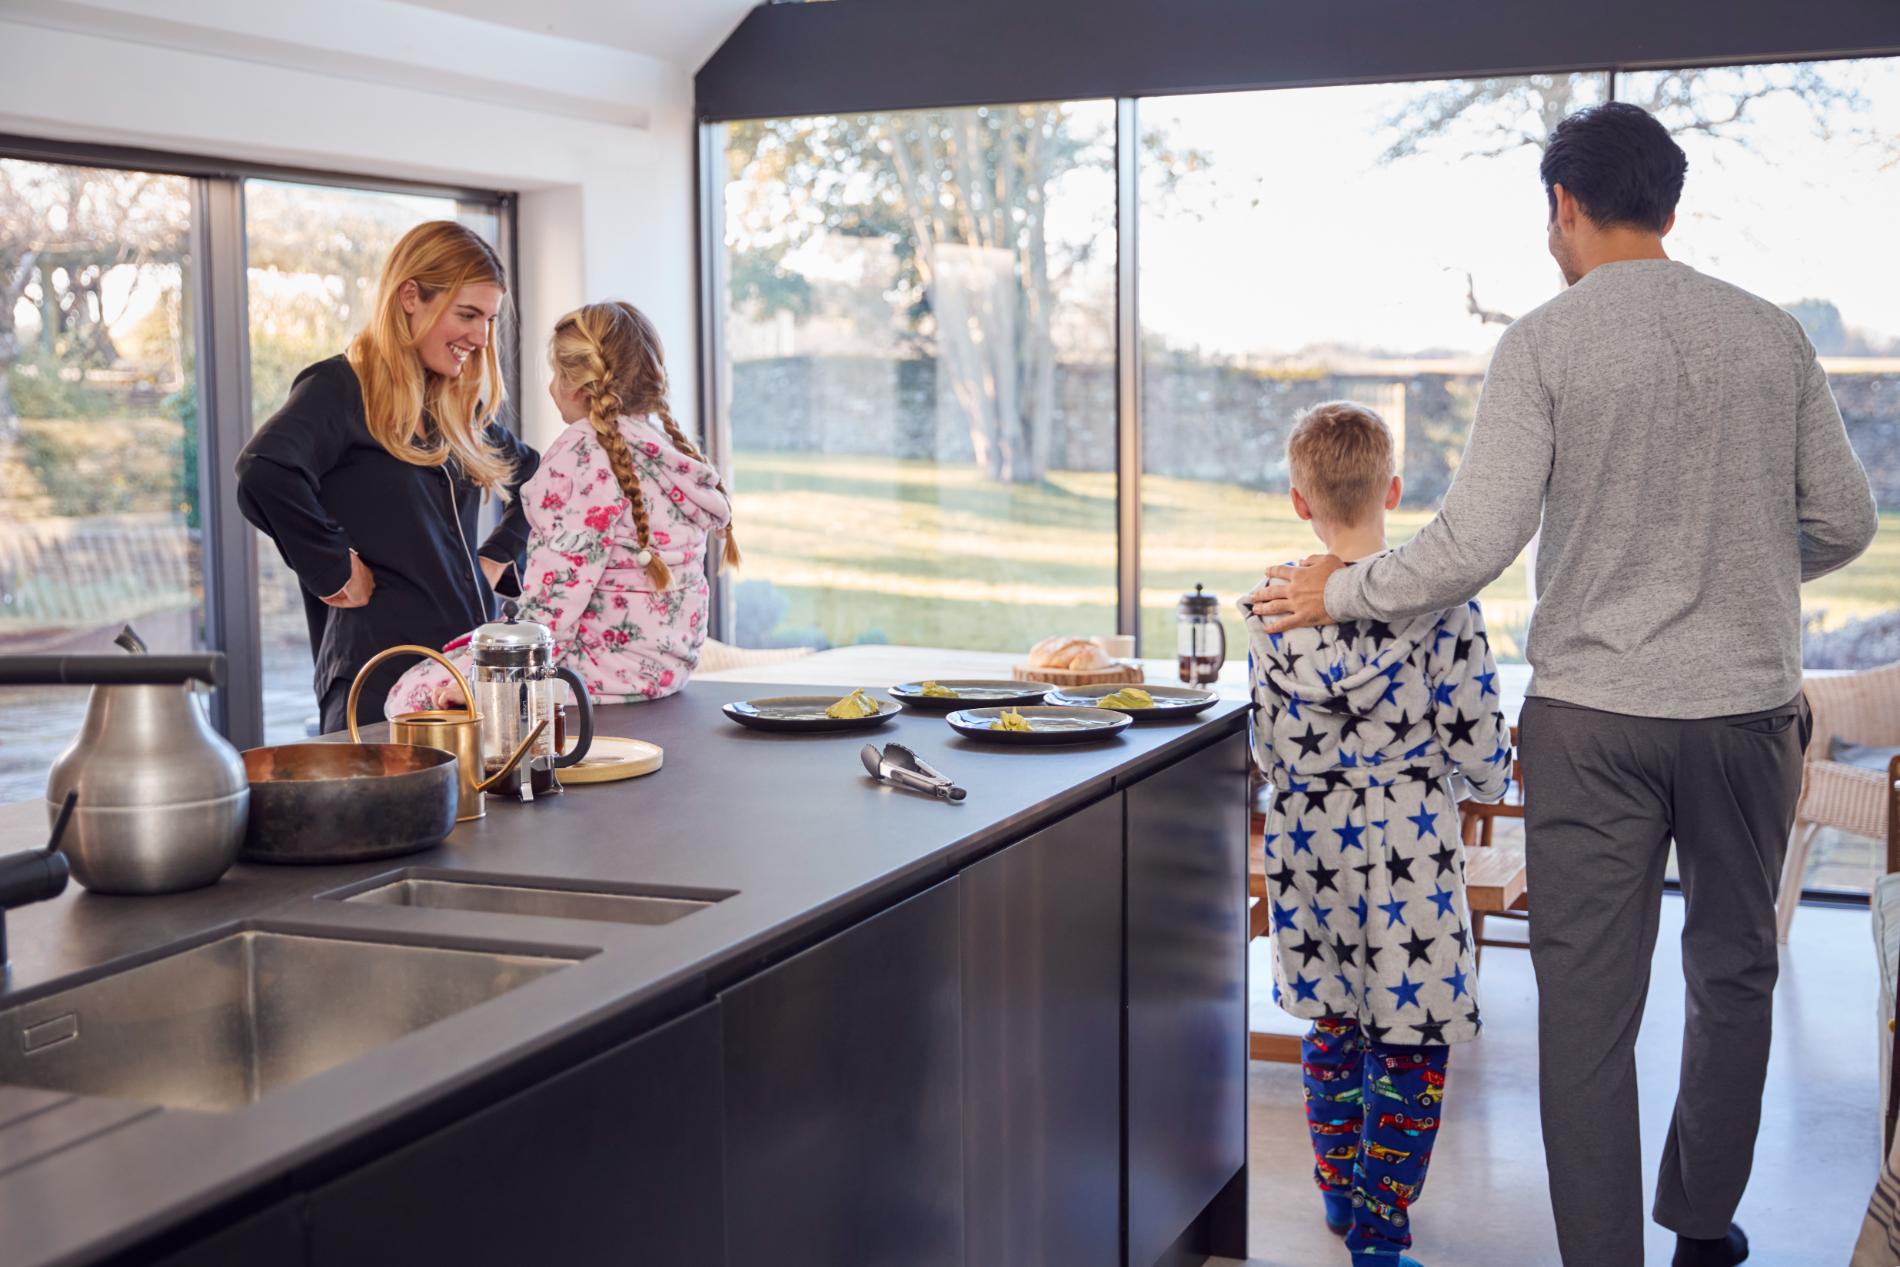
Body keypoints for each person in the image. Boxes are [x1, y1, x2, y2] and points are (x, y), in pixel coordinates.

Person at [1250, 103, 1878, 1267]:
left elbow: (1471, 542)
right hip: (1745, 717)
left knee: (1587, 1012)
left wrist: (1333, 592)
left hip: (1592, 723)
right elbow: (1846, 518)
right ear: (1671, 207)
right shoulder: (1771, 335)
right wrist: (1731, 563)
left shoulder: (1542, 343)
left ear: (1564, 207)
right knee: (1734, 971)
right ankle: (1701, 1221)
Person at [1243, 401, 1510, 1267]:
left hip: (1309, 851)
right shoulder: (1443, 607)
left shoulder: (1269, 610)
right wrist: (1491, 780)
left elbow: (1267, 743)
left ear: (1298, 500)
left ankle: (1336, 1186)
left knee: (1331, 1024)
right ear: (1392, 488)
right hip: (1413, 858)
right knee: (1410, 1035)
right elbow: (1480, 746)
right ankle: (1382, 1225)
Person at [235, 220, 539, 733]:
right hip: (374, 681)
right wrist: (333, 567)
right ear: (410, 296)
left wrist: (497, 556)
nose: (481, 338)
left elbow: (537, 476)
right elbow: (264, 470)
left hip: (457, 679)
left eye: (489, 320)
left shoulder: (454, 406)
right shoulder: (339, 388)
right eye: (467, 314)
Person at [385, 301, 737, 714]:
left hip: (598, 672)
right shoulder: (666, 451)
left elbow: (558, 593)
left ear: (578, 384)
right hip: (665, 671)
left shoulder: (584, 452)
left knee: (410, 693)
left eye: (556, 374)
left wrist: (498, 677)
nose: (552, 387)